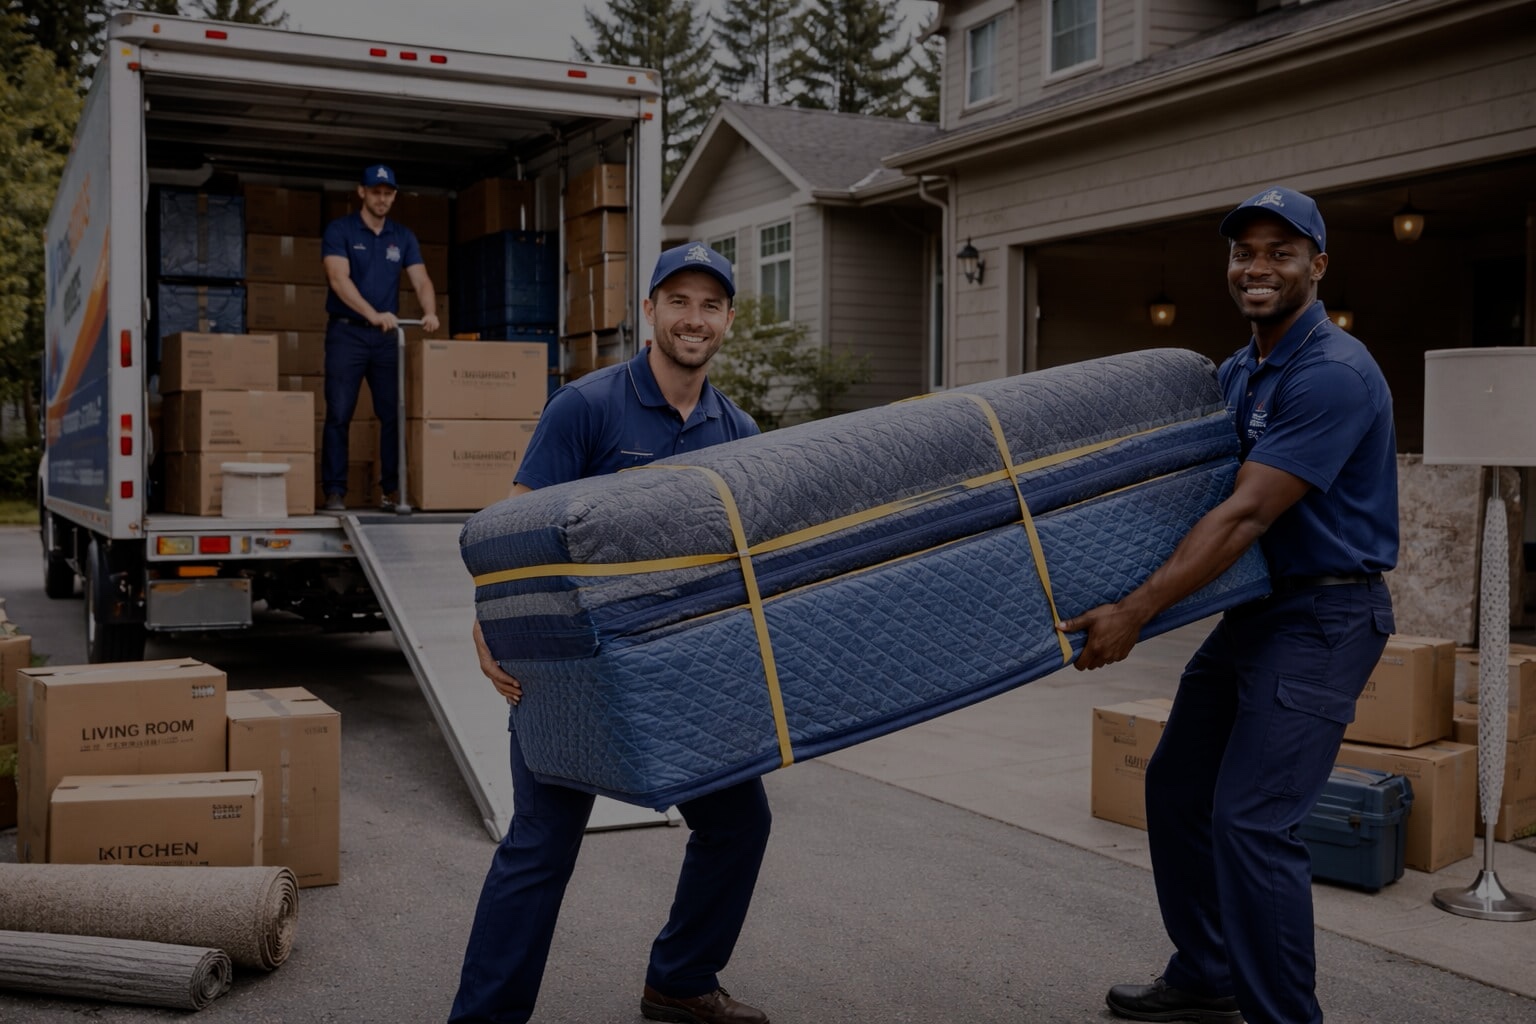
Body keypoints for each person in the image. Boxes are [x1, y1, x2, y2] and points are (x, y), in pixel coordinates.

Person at [1058, 187, 1397, 1024]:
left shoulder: (1334, 374)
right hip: (1258, 612)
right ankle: (1207, 971)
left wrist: (1135, 611)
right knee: (1178, 785)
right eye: (1245, 251)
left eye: (1281, 251)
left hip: (1325, 617)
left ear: (1317, 266)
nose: (1258, 266)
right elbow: (1185, 493)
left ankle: (1284, 1016)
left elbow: (1244, 512)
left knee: (1252, 822)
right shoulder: (1240, 371)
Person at [450, 242, 773, 1024]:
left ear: (728, 320)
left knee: (739, 822)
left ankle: (681, 980)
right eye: (679, 301)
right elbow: (514, 525)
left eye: (710, 305)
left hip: (681, 669)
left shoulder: (739, 429)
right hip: (577, 666)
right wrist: (489, 621)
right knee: (542, 844)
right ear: (651, 312)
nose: (693, 319)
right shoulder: (588, 407)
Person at [320, 163, 439, 512]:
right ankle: (335, 491)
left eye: (388, 194)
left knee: (392, 412)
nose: (382, 199)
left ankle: (391, 490)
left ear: (394, 196)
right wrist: (371, 314)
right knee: (340, 412)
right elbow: (338, 278)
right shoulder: (340, 230)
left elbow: (421, 280)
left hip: (387, 337)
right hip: (348, 333)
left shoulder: (402, 237)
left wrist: (430, 312)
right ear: (362, 192)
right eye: (376, 192)